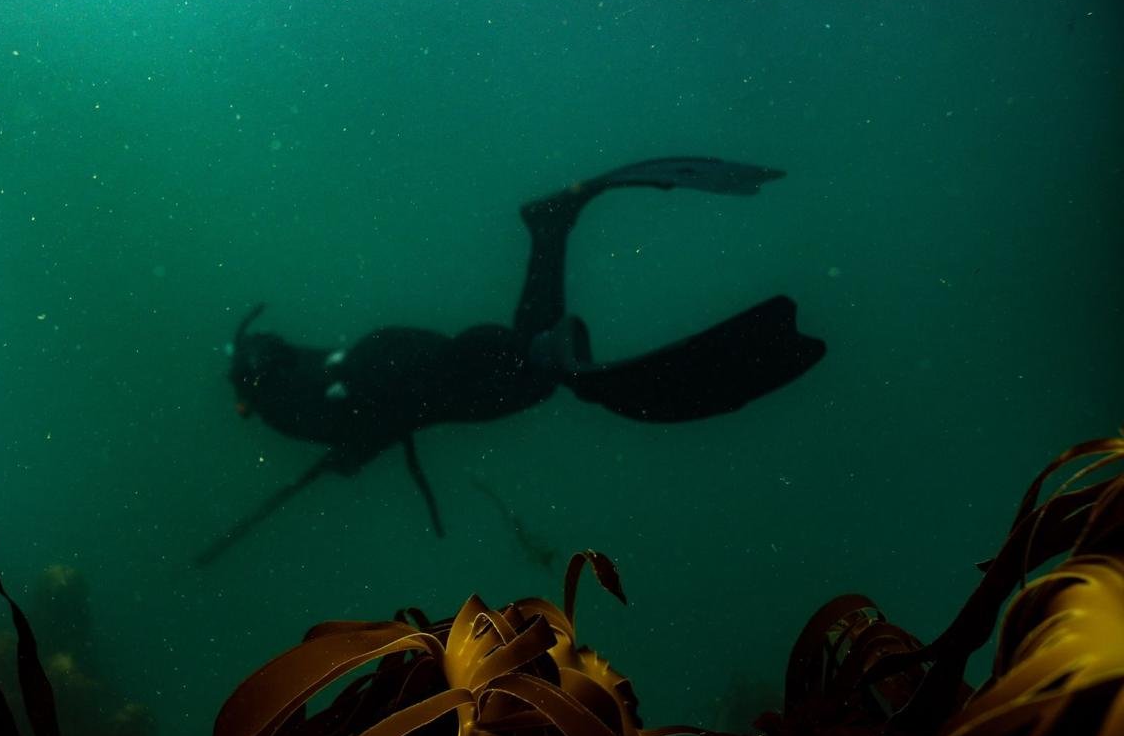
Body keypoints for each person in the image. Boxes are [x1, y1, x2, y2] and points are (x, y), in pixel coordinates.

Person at [196, 157, 826, 565]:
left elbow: (366, 423)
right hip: (392, 357)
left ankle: (550, 331)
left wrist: (349, 457)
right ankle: (550, 233)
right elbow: (367, 417)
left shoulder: (287, 410)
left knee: (526, 383)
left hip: (398, 376)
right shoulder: (295, 386)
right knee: (517, 369)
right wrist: (354, 450)